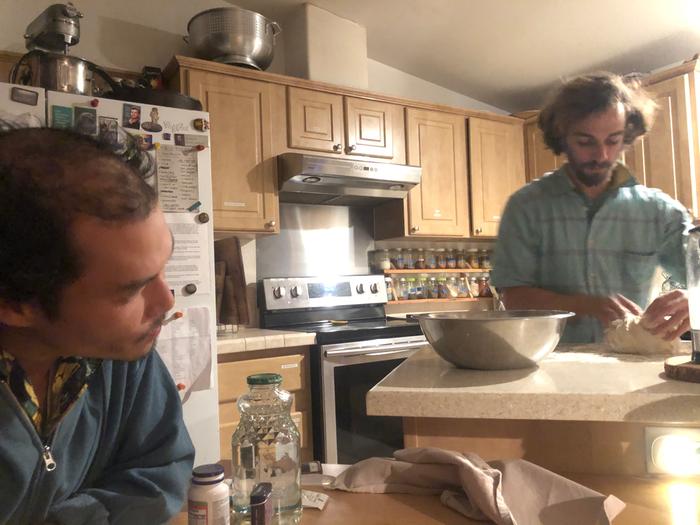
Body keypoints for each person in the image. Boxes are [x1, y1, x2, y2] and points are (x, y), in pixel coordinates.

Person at [0, 127, 194, 523]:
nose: (166, 301)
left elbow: (161, 470)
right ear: (15, 304)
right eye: (131, 290)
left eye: (161, 270)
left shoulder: (122, 355)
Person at [491, 72, 693, 343]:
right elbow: (514, 298)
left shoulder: (661, 212)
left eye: (613, 140)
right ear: (562, 137)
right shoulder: (526, 207)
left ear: (628, 136)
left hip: (631, 372)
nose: (602, 155)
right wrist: (587, 304)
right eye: (586, 142)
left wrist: (693, 298)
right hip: (549, 370)